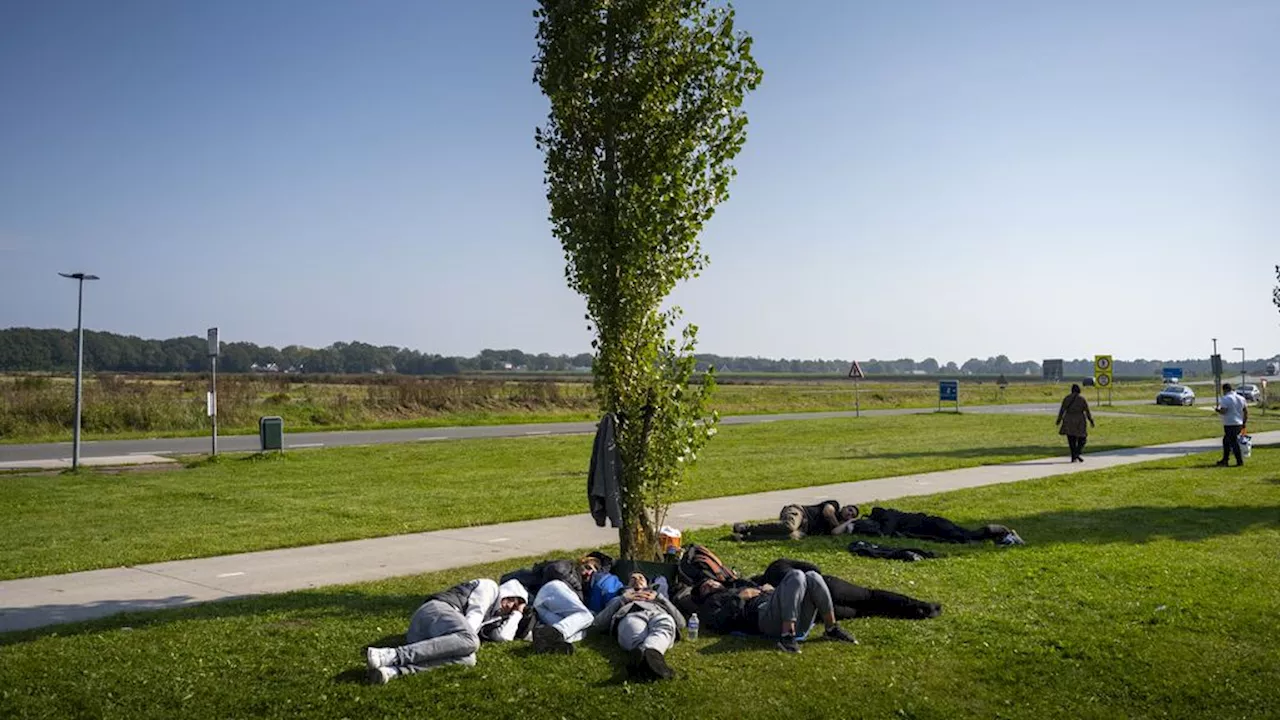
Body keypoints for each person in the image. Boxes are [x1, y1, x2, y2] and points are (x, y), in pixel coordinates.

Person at [365, 578, 528, 684]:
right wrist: (470, 639)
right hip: (433, 611)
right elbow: (473, 620)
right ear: (508, 591)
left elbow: (502, 637)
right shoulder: (490, 587)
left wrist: (517, 614)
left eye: (514, 606)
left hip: (428, 639)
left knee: (469, 660)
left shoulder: (494, 617)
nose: (509, 606)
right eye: (512, 600)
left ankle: (393, 671)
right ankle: (390, 655)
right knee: (470, 641)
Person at [694, 569, 859, 653]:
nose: (709, 585)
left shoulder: (736, 584)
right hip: (763, 618)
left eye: (709, 582)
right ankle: (787, 637)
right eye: (704, 588)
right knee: (796, 575)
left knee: (812, 576)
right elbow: (718, 623)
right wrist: (740, 598)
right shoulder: (712, 602)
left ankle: (831, 628)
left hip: (785, 611)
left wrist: (768, 589)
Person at [754, 558, 941, 620]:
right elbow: (815, 570)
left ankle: (915, 611)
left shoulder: (762, 590)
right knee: (869, 597)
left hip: (811, 610)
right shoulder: (778, 566)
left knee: (863, 610)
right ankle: (920, 607)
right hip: (826, 587)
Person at [590, 573, 686, 680]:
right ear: (627, 584)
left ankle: (643, 659)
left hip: (658, 613)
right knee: (634, 632)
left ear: (647, 583)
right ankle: (654, 661)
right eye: (633, 578)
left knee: (664, 625)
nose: (637, 580)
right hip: (630, 614)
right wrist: (623, 599)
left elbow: (681, 623)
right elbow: (598, 623)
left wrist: (659, 598)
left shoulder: (657, 596)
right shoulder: (619, 597)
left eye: (641, 578)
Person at [847, 506, 1024, 546]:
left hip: (933, 525)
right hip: (933, 524)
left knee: (967, 537)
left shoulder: (886, 515)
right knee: (965, 535)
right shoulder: (887, 516)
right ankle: (1004, 535)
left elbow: (885, 532)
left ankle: (1004, 533)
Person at [732, 499, 860, 541]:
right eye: (849, 510)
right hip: (799, 513)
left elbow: (835, 533)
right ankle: (747, 527)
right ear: (845, 507)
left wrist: (848, 523)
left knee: (791, 536)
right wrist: (837, 523)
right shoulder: (835, 505)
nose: (849, 514)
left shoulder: (839, 526)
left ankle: (745, 537)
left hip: (804, 530)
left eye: (852, 515)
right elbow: (828, 511)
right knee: (790, 526)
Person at [1055, 383, 1095, 462]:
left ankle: (1074, 456)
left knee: (1071, 439)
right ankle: (1077, 453)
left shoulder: (1067, 398)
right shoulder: (1082, 399)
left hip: (1068, 419)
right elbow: (1087, 411)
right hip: (1079, 420)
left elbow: (1062, 410)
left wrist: (1059, 420)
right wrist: (1091, 420)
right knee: (1082, 438)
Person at [1215, 383, 1249, 467]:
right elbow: (1246, 411)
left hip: (1230, 423)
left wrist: (1218, 410)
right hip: (1239, 423)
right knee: (1226, 441)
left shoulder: (1226, 398)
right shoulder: (1241, 398)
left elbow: (1224, 411)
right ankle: (1225, 459)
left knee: (1233, 443)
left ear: (1225, 390)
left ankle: (1239, 461)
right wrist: (1244, 422)